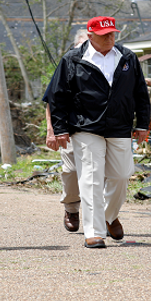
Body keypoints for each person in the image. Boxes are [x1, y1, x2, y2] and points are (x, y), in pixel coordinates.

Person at [48, 16, 150, 249]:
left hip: (119, 126)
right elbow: (58, 96)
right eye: (104, 35)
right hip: (86, 127)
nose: (110, 38)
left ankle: (107, 216)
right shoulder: (72, 59)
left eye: (113, 34)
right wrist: (60, 128)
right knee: (91, 177)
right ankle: (94, 233)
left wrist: (143, 124)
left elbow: (140, 93)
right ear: (91, 36)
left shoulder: (127, 57)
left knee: (122, 175)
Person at [44, 29, 88, 233]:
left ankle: (104, 215)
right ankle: (71, 209)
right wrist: (51, 130)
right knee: (71, 171)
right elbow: (51, 101)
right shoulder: (67, 65)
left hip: (99, 129)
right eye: (81, 46)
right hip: (69, 129)